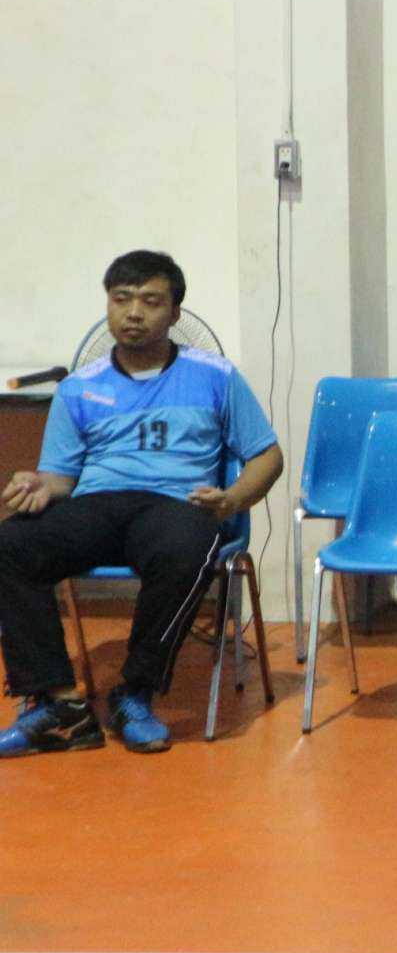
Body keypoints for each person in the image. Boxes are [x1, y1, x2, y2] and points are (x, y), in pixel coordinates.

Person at [0, 251, 282, 756]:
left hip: (174, 506)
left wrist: (232, 499)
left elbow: (267, 456)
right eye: (121, 299)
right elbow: (61, 476)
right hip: (98, 505)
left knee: (188, 548)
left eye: (150, 301)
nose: (133, 313)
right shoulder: (78, 388)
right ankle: (59, 703)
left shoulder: (215, 376)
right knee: (11, 543)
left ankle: (135, 692)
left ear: (174, 313)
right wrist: (40, 485)